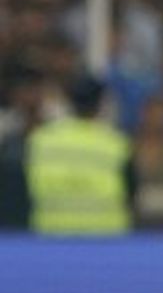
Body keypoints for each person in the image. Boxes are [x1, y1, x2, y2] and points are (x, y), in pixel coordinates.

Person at [25, 74, 134, 235]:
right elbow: (132, 191)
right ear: (101, 104)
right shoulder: (116, 144)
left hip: (51, 236)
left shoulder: (40, 141)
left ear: (69, 101)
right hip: (106, 238)